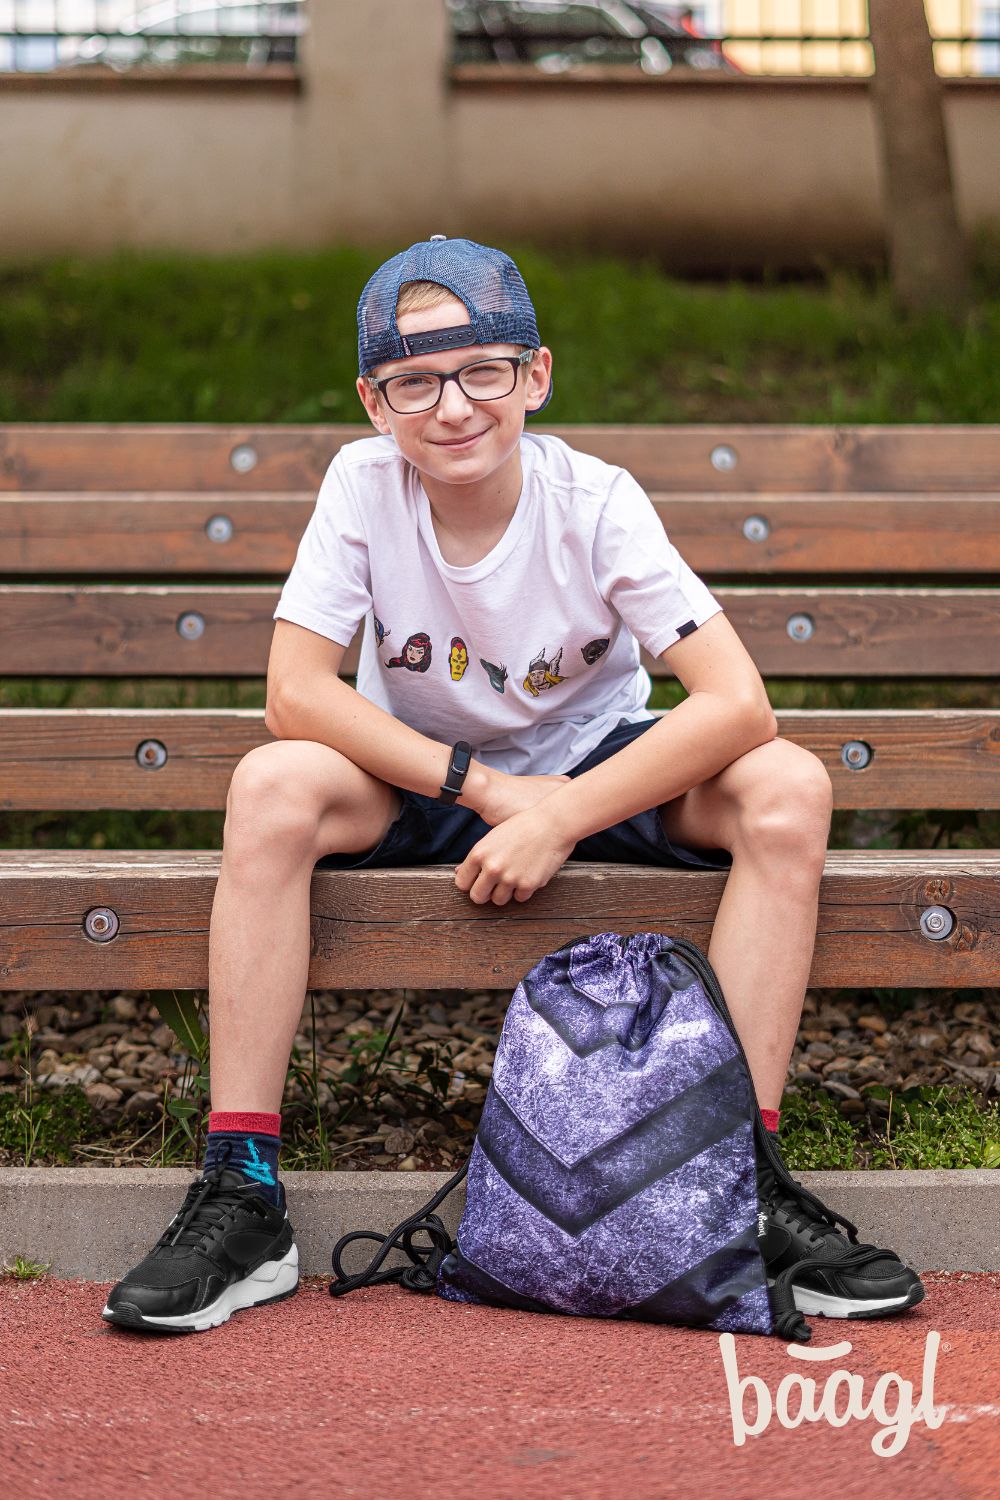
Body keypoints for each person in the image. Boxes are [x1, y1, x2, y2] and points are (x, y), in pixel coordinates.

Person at [102, 236, 923, 1333]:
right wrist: (489, 792)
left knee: (786, 787)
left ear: (535, 375)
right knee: (270, 786)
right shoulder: (362, 485)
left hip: (598, 769)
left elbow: (737, 704)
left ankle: (740, 1192)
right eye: (414, 382)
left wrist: (563, 813)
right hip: (423, 777)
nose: (452, 407)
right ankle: (242, 1194)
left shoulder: (596, 499)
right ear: (374, 402)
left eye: (482, 371)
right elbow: (294, 694)